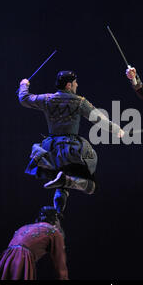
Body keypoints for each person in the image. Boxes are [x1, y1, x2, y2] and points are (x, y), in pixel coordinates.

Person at [18, 71, 124, 214]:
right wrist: (117, 130)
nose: (77, 85)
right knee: (92, 186)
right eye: (75, 83)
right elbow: (100, 119)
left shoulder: (47, 99)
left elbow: (24, 98)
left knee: (61, 186)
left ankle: (59, 211)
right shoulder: (79, 101)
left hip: (51, 149)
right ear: (69, 85)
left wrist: (24, 84)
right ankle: (65, 183)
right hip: (72, 149)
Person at [0, 206, 69, 280]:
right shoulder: (53, 231)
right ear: (56, 220)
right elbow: (60, 264)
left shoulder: (25, 227)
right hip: (22, 259)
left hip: (6, 259)